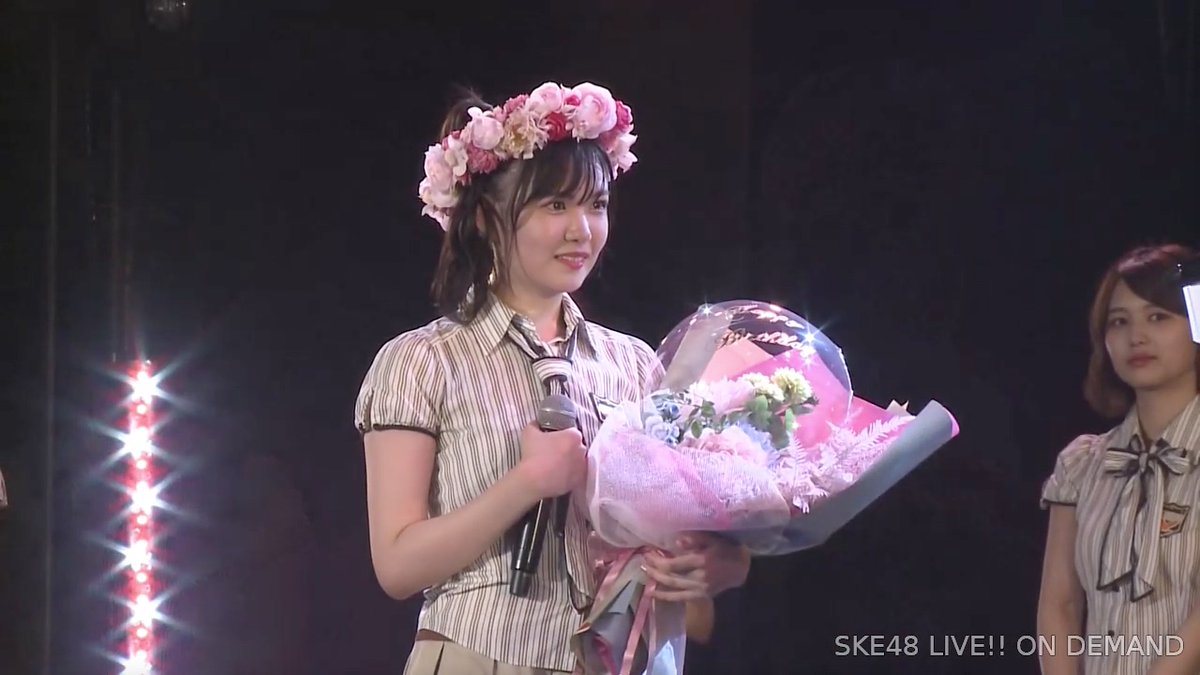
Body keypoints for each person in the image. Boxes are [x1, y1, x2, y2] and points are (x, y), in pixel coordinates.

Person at [354, 81, 749, 674]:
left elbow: (682, 548)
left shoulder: (635, 364)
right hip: (479, 656)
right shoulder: (422, 361)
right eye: (555, 206)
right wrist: (527, 483)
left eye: (597, 205)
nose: (581, 230)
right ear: (484, 217)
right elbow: (397, 566)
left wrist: (719, 564)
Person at [1037, 243, 1200, 675]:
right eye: (1119, 321)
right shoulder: (1082, 463)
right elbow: (1060, 604)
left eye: (1158, 317)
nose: (1136, 337)